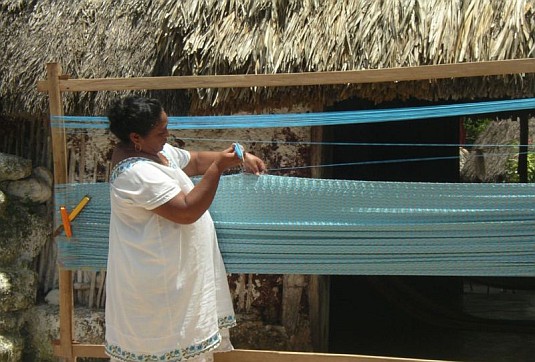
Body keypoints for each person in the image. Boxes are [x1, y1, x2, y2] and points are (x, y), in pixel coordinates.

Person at [104, 95, 266, 362]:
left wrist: (240, 157)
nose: (167, 135)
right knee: (164, 350)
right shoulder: (136, 174)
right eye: (161, 131)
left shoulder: (155, 152)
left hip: (174, 275)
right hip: (159, 283)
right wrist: (218, 168)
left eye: (166, 127)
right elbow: (186, 210)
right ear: (136, 137)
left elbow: (194, 161)